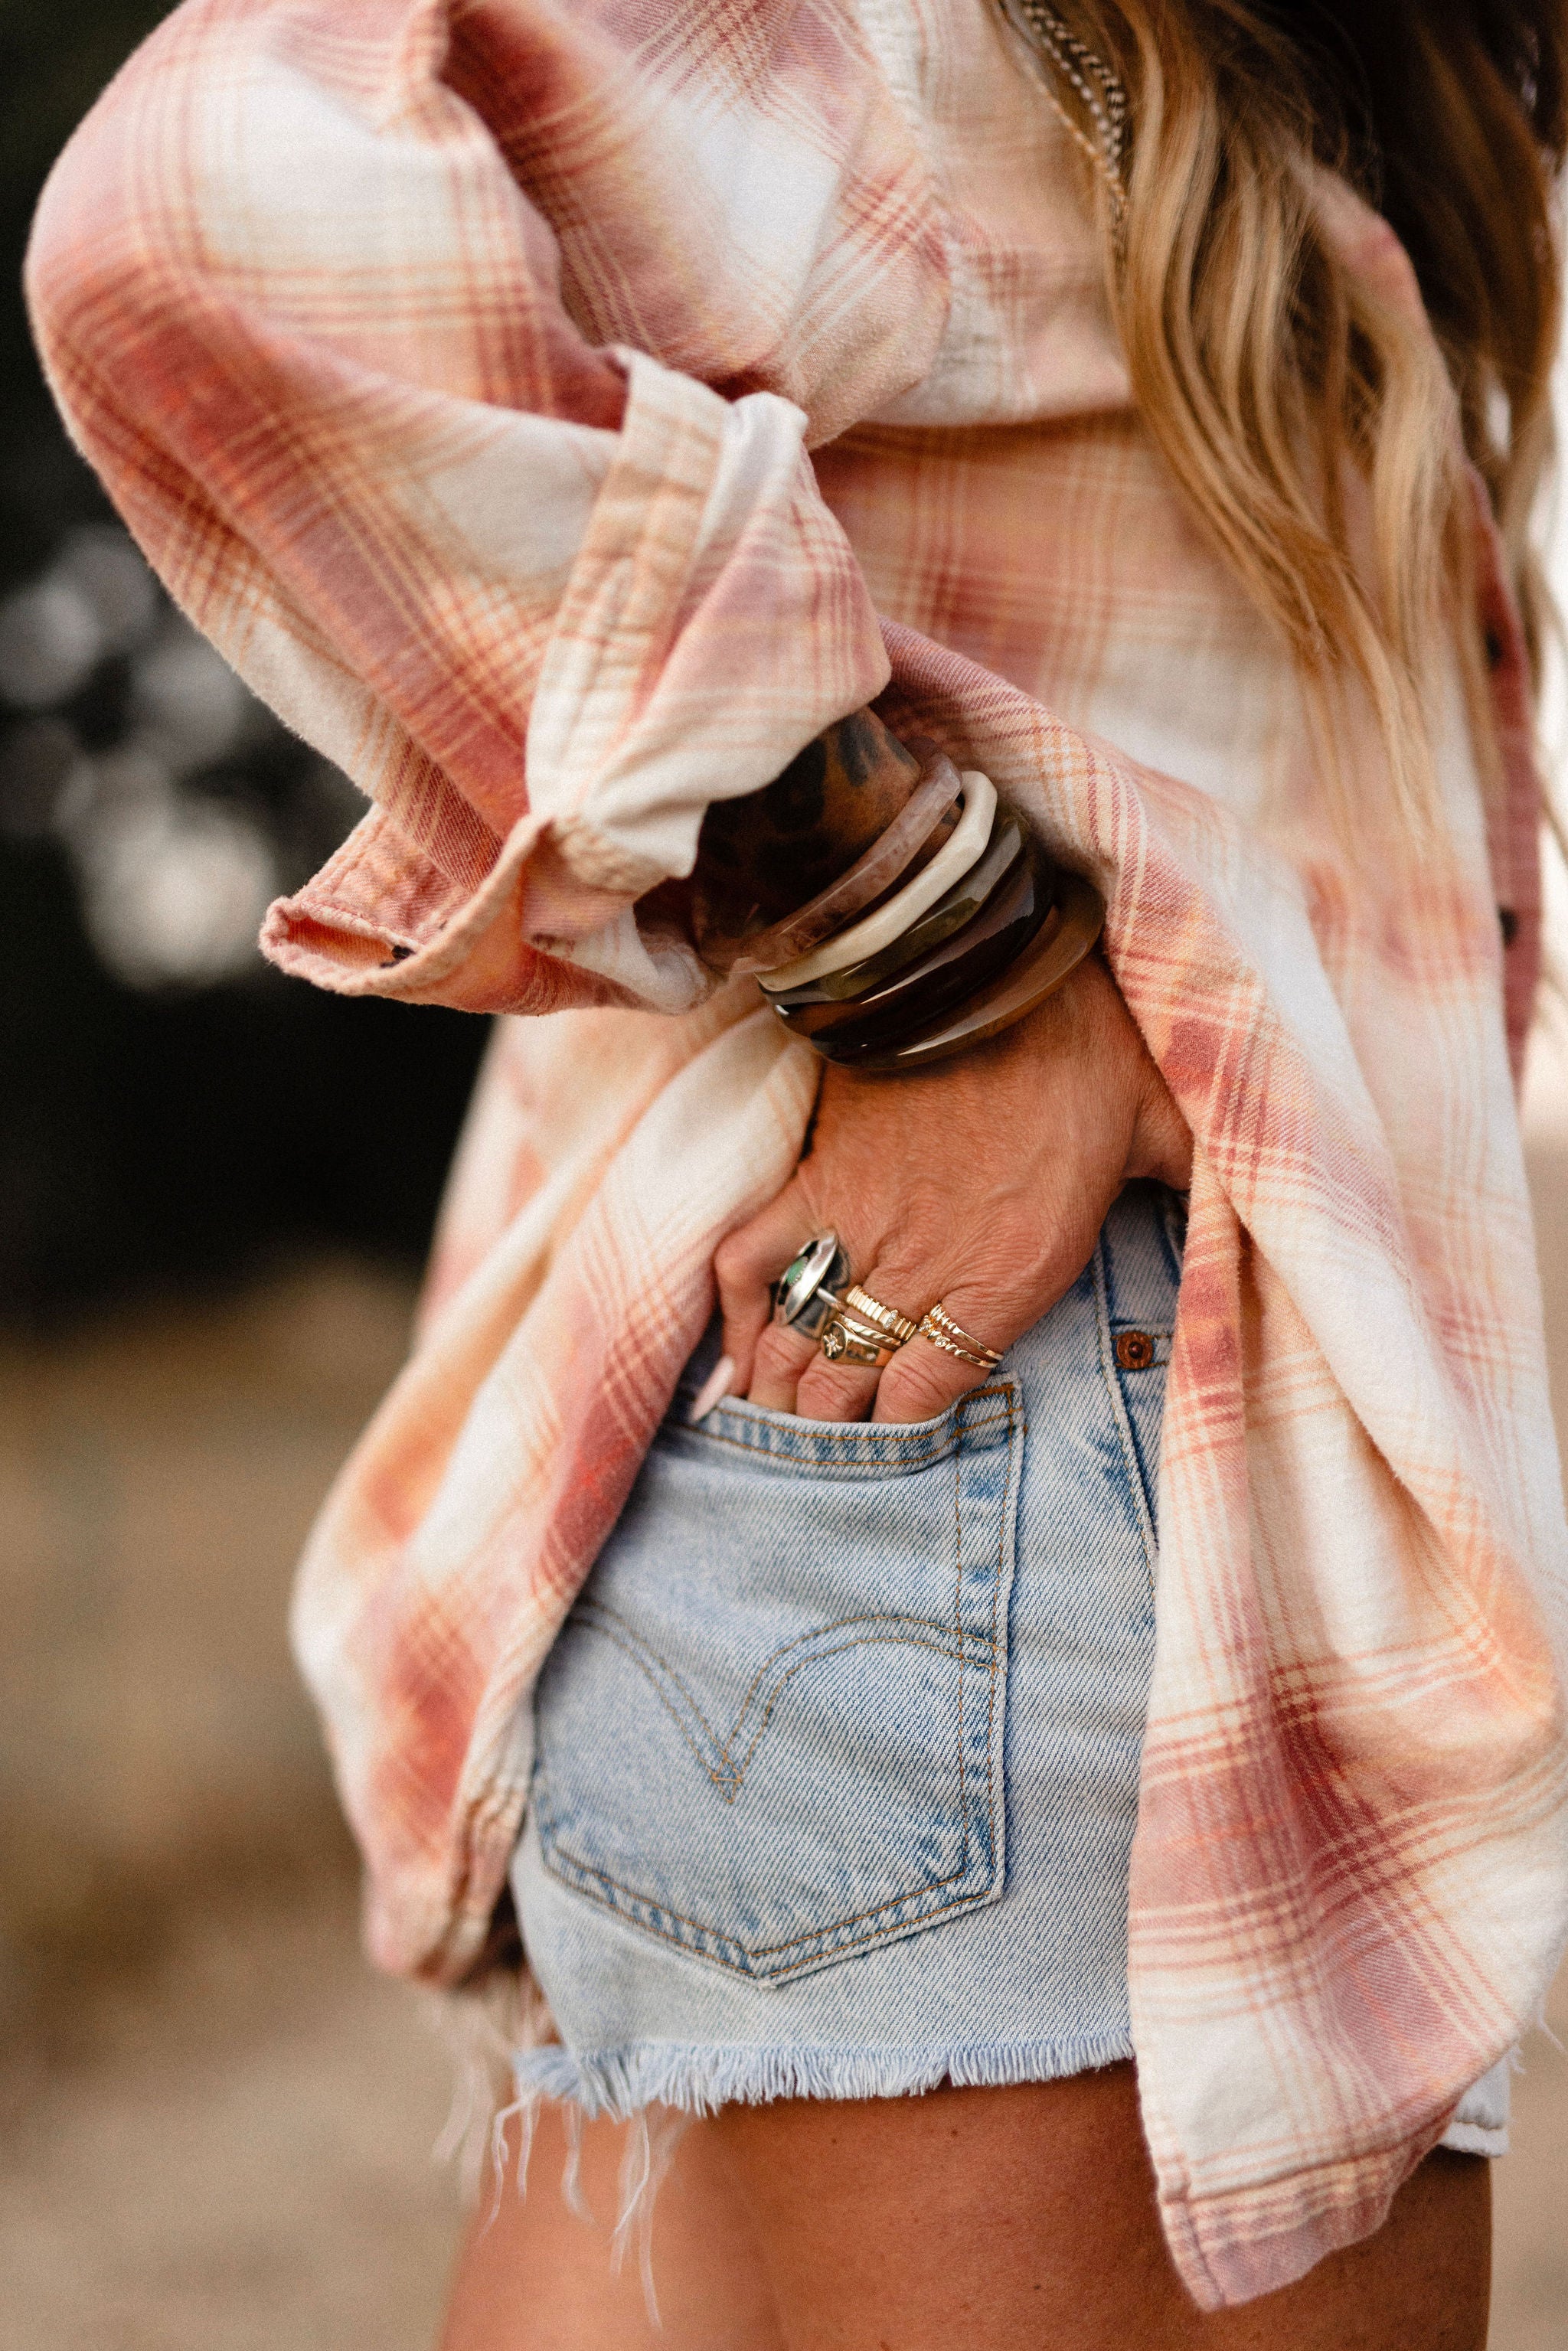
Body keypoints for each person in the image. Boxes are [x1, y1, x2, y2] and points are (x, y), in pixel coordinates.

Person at [26, 1, 1568, 2342]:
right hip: (1056, 1504)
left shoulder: (1227, 98)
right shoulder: (928, 44)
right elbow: (193, 211)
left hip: (802, 1484)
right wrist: (941, 950)